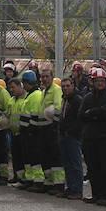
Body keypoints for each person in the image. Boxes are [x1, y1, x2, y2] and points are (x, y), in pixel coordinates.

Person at [79, 67, 106, 206]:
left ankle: (105, 196)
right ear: (93, 81)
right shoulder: (88, 97)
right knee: (93, 168)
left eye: (102, 81)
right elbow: (81, 115)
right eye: (98, 81)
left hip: (105, 139)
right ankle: (96, 194)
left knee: (105, 168)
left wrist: (92, 113)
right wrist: (95, 114)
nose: (100, 83)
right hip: (90, 139)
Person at [32, 67, 64, 195]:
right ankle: (49, 182)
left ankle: (59, 184)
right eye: (42, 77)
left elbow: (57, 108)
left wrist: (54, 126)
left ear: (51, 77)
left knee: (54, 157)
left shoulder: (55, 90)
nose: (44, 79)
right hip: (43, 128)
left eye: (47, 76)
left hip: (51, 128)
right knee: (44, 156)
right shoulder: (45, 91)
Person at [17, 70, 45, 190]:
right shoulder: (31, 95)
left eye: (23, 83)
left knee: (34, 159)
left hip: (31, 134)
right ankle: (30, 180)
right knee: (28, 158)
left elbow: (35, 116)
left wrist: (30, 132)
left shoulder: (35, 96)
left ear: (27, 83)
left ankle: (38, 182)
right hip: (27, 133)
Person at [57, 77, 84, 200]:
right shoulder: (65, 99)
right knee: (67, 164)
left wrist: (71, 132)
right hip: (63, 135)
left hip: (72, 137)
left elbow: (79, 120)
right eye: (63, 86)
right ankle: (70, 187)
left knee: (75, 164)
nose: (65, 88)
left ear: (73, 86)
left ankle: (77, 190)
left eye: (68, 86)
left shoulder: (77, 100)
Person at [4, 78, 28, 186]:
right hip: (13, 134)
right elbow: (7, 116)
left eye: (13, 87)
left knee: (23, 159)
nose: (11, 90)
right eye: (10, 88)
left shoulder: (26, 99)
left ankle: (24, 180)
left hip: (23, 134)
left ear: (20, 86)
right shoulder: (11, 100)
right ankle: (18, 177)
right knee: (16, 158)